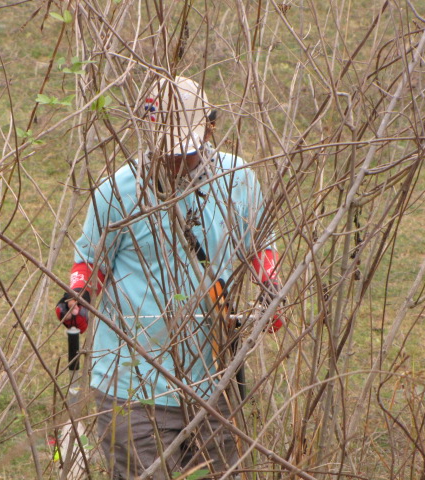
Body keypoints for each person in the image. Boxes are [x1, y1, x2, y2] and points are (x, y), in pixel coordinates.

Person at [55, 75, 284, 479]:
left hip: (214, 382)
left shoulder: (239, 179)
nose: (178, 161)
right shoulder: (117, 192)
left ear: (210, 128)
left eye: (187, 151)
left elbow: (260, 243)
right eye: (169, 151)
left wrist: (271, 286)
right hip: (132, 384)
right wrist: (78, 299)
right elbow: (90, 264)